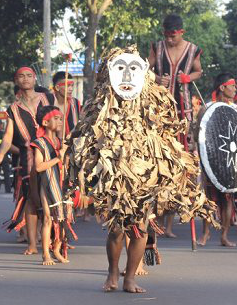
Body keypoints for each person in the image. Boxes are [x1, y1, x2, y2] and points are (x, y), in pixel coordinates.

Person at [69, 46, 218, 294]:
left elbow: (167, 133)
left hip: (146, 171)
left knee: (140, 227)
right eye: (120, 70)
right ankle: (113, 272)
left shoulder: (154, 100)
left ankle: (130, 278)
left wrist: (177, 163)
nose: (127, 77)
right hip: (114, 173)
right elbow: (85, 137)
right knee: (117, 229)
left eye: (133, 70)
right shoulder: (101, 103)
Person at [148, 14, 203, 238]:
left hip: (183, 110)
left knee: (181, 163)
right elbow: (145, 69)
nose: (170, 40)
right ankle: (154, 221)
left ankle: (171, 222)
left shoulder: (193, 49)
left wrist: (188, 78)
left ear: (181, 32)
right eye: (167, 36)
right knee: (158, 161)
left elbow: (199, 70)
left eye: (173, 35)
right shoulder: (156, 47)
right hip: (159, 110)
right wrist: (154, 79)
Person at [0, 66, 55, 255]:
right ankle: (32, 244)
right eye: (21, 76)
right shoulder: (13, 108)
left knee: (53, 198)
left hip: (50, 152)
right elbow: (8, 135)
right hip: (28, 157)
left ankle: (56, 241)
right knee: (30, 199)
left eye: (29, 76)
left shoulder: (47, 99)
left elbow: (58, 121)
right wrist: (2, 153)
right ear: (16, 81)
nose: (26, 79)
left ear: (35, 79)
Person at [198, 73, 237, 247]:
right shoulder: (206, 108)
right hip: (211, 160)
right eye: (232, 85)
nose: (235, 89)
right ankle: (205, 233)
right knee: (209, 199)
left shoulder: (236, 109)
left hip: (229, 160)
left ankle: (224, 235)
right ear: (222, 87)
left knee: (228, 199)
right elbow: (198, 134)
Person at [32, 106, 74, 265]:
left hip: (63, 183)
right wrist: (58, 158)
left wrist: (66, 154)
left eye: (61, 118)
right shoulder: (40, 143)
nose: (60, 121)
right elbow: (38, 167)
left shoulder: (62, 142)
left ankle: (56, 249)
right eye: (56, 118)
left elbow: (67, 164)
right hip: (48, 184)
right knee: (49, 219)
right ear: (45, 122)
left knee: (63, 219)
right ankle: (45, 254)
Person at [52, 71, 82, 140]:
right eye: (67, 86)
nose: (71, 89)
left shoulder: (75, 103)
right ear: (57, 87)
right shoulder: (48, 102)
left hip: (73, 146)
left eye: (72, 85)